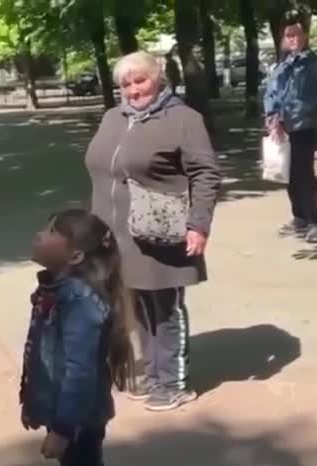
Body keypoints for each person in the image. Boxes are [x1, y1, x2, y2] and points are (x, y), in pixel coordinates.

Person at [84, 51, 221, 411]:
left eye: (140, 80)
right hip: (113, 232)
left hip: (159, 228)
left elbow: (205, 174)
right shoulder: (113, 117)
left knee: (164, 306)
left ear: (157, 78)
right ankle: (153, 373)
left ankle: (173, 383)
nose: (133, 89)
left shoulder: (184, 119)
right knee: (138, 305)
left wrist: (199, 224)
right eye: (125, 84)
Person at [20, 209, 136, 466]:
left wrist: (62, 429)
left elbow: (79, 371)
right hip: (66, 412)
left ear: (75, 255)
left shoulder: (79, 301)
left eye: (51, 231)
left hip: (78, 419)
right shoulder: (55, 290)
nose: (39, 234)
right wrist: (33, 403)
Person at [263, 14, 317, 242]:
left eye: (295, 35)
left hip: (302, 127)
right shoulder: (281, 66)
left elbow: (306, 98)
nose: (291, 39)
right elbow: (271, 91)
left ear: (304, 36)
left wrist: (282, 118)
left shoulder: (312, 64)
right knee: (288, 174)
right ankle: (298, 217)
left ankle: (313, 222)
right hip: (282, 129)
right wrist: (271, 116)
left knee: (305, 175)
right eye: (287, 36)